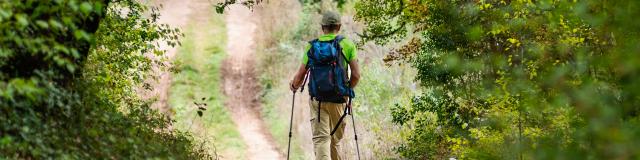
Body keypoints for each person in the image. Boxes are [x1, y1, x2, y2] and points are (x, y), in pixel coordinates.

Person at [289, 11, 360, 160]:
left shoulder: (312, 47)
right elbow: (356, 75)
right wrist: (348, 91)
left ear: (323, 27)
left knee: (321, 140)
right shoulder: (347, 44)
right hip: (340, 99)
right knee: (335, 140)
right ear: (339, 26)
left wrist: (294, 85)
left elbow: (300, 75)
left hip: (318, 100)